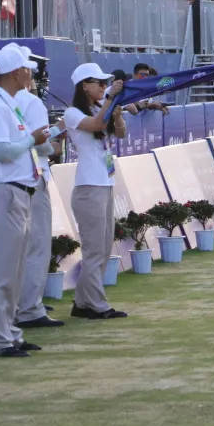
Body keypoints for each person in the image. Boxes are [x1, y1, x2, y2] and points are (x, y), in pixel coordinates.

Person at [0, 45, 51, 357]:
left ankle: (9, 333)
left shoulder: (7, 104)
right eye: (25, 69)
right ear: (14, 73)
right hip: (6, 191)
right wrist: (32, 140)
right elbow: (3, 152)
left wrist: (31, 141)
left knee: (14, 270)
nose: (30, 73)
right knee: (2, 271)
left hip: (18, 191)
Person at [63, 63, 129, 320]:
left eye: (105, 83)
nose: (103, 87)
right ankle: (96, 304)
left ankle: (82, 302)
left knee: (103, 247)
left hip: (105, 183)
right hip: (89, 187)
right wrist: (110, 100)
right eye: (99, 83)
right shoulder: (72, 113)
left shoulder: (99, 108)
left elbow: (120, 133)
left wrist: (118, 113)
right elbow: (95, 125)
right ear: (84, 86)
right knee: (94, 250)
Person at [9, 46, 64, 331]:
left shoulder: (1, 100)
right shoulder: (31, 102)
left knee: (20, 248)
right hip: (33, 173)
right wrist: (56, 139)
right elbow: (41, 142)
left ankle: (22, 304)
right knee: (37, 244)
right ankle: (30, 307)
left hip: (12, 179)